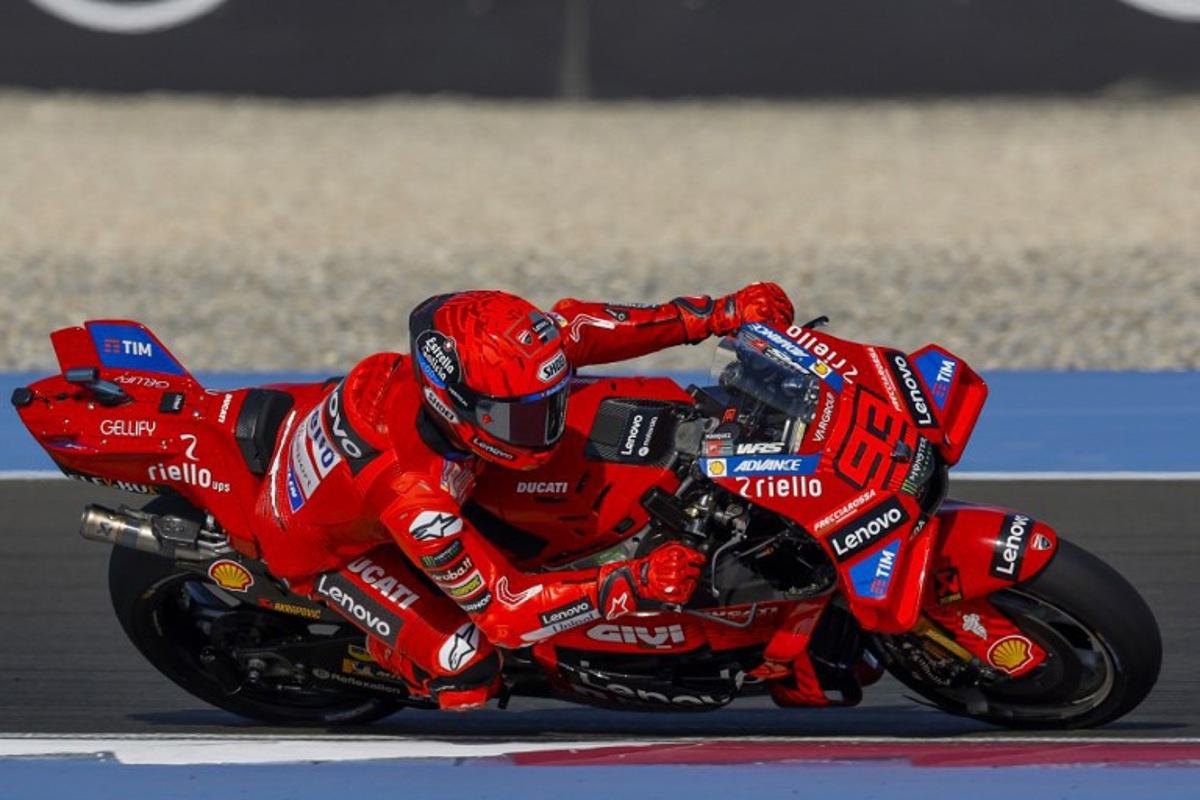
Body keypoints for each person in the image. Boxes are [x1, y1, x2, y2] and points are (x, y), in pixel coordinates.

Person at [252, 284, 794, 710]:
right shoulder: (417, 501)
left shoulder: (499, 372)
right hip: (327, 550)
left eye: (550, 403)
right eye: (520, 417)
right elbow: (505, 610)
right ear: (452, 405)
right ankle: (389, 653)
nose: (545, 426)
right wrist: (631, 582)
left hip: (351, 458)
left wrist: (718, 313)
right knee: (467, 664)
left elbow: (583, 330)